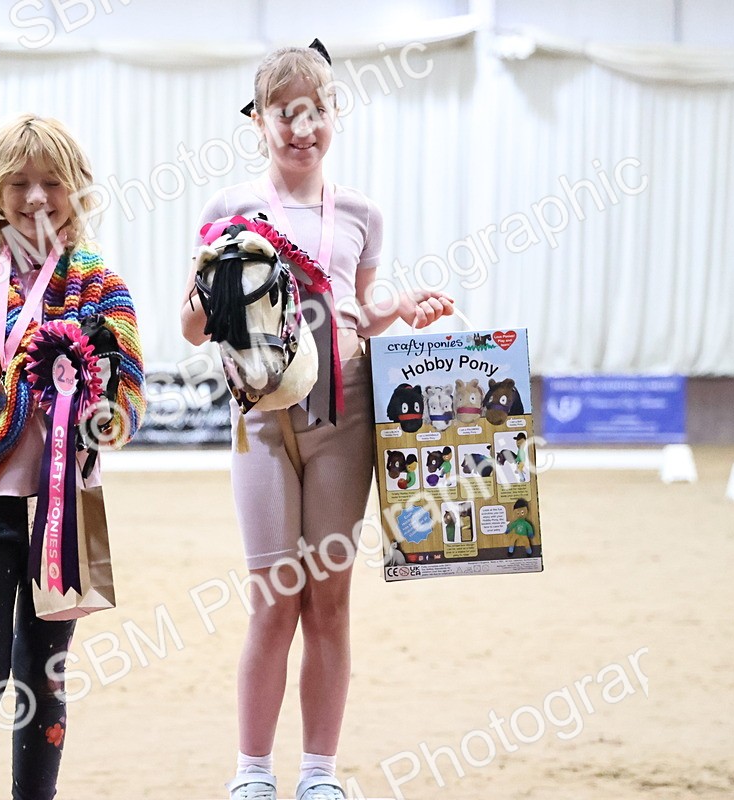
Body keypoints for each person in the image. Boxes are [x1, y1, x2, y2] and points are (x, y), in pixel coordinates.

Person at [180, 45, 453, 800]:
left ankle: (321, 775)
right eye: (285, 112)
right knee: (273, 598)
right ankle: (253, 774)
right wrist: (211, 297)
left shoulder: (363, 212)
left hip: (348, 411)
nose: (302, 127)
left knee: (329, 598)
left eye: (316, 111)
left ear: (334, 117)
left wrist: (400, 311)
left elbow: (364, 309)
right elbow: (192, 329)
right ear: (260, 121)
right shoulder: (226, 211)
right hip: (264, 423)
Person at [0, 114, 144, 800]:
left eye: (51, 182)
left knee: (45, 679)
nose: (36, 197)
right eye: (18, 184)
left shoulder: (103, 287)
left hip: (62, 515)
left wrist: (102, 415)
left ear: (75, 190)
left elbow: (128, 398)